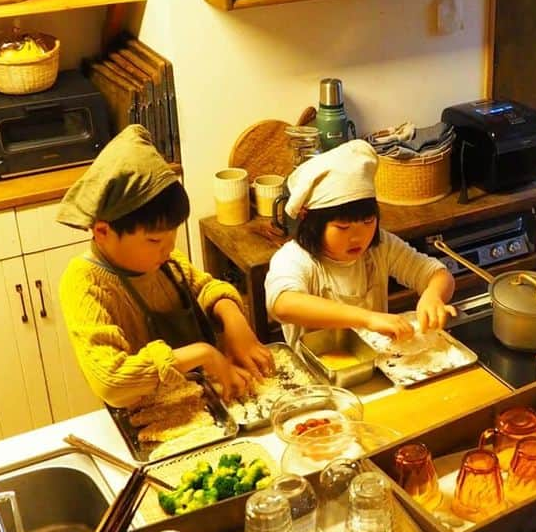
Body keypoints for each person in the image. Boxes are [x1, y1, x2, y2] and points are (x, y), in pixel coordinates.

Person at [56, 125, 271, 408]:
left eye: (173, 234)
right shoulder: (84, 282)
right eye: (154, 239)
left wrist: (233, 319)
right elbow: (111, 381)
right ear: (102, 232)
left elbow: (205, 288)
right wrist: (204, 354)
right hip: (150, 412)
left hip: (201, 399)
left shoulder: (165, 261)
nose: (168, 249)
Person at [265, 139, 456, 346]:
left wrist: (433, 295)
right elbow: (282, 304)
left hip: (382, 363)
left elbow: (438, 273)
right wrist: (367, 318)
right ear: (312, 223)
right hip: (319, 372)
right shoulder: (295, 258)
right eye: (343, 228)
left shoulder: (381, 246)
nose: (358, 237)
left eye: (368, 222)